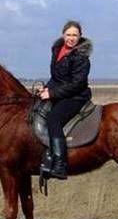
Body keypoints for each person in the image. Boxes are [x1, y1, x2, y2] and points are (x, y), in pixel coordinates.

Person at [39, 20, 92, 180]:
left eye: (75, 35)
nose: (71, 38)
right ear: (63, 35)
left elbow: (76, 84)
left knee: (53, 118)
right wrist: (46, 89)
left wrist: (52, 94)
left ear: (80, 36)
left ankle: (60, 164)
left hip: (76, 96)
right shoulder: (57, 50)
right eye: (68, 34)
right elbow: (56, 77)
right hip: (59, 92)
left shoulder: (82, 58)